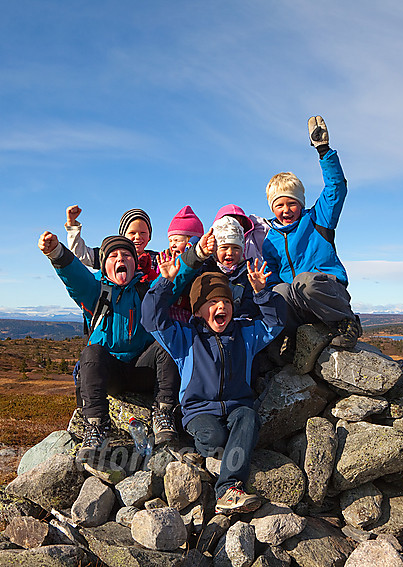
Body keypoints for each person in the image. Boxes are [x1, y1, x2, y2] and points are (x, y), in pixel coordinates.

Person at [141, 252, 287, 514]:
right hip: (198, 411)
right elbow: (152, 320)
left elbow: (274, 323)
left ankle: (228, 490)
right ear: (197, 310)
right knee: (214, 439)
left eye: (225, 301)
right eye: (212, 302)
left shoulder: (245, 333)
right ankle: (197, 446)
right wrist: (164, 283)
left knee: (249, 418)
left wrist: (263, 293)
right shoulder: (184, 338)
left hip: (236, 407)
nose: (221, 307)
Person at [38, 231, 179, 462]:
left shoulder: (145, 289)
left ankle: (163, 412)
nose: (121, 259)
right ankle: (96, 427)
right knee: (92, 353)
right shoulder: (96, 291)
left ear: (135, 262)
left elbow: (176, 278)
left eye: (126, 254)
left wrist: (199, 253)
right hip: (109, 373)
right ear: (104, 265)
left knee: (167, 343)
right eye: (113, 255)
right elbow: (75, 275)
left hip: (143, 369)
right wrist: (55, 252)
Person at [261, 115, 361, 349]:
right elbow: (273, 278)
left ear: (301, 202)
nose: (286, 210)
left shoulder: (318, 219)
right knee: (278, 292)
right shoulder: (270, 240)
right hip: (299, 307)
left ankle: (347, 323)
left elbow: (336, 188)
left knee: (305, 281)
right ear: (272, 207)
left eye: (292, 203)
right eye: (279, 205)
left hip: (326, 293)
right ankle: (291, 339)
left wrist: (324, 151)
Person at [175, 219, 261, 320]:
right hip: (206, 325)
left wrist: (239, 324)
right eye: (224, 248)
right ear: (215, 250)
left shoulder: (247, 274)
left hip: (238, 326)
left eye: (236, 248)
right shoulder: (204, 270)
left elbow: (249, 305)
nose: (230, 252)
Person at [65, 205, 160, 282]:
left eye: (143, 233)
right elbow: (82, 254)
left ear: (149, 236)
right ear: (122, 236)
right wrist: (72, 226)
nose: (138, 237)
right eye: (132, 233)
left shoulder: (158, 259)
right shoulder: (109, 256)